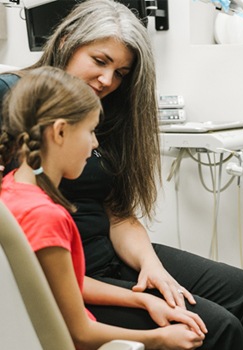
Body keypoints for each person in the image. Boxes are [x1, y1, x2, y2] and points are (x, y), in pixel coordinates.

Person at [0, 1, 243, 349]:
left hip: (111, 257)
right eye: (100, 61)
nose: (108, 81)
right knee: (216, 327)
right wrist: (147, 310)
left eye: (121, 72)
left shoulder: (104, 108)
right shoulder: (13, 97)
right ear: (66, 43)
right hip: (68, 269)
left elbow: (119, 214)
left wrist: (152, 267)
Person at [0, 66, 207, 349]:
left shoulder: (11, 191)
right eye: (90, 131)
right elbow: (79, 334)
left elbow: (63, 285)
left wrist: (143, 299)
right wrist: (158, 339)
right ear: (60, 132)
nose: (94, 144)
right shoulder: (46, 217)